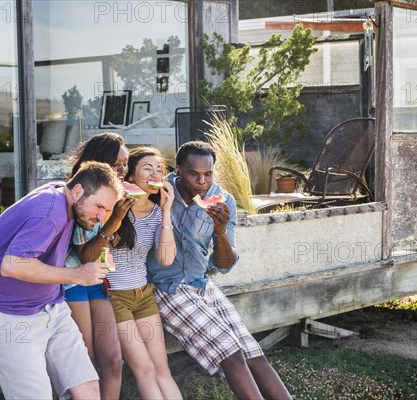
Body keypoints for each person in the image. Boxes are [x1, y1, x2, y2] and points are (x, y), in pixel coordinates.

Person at [147, 141, 292, 400]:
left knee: (253, 353)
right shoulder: (158, 193)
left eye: (208, 173)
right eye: (194, 173)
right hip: (168, 287)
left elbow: (225, 265)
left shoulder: (223, 200)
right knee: (231, 352)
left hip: (201, 284)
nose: (203, 181)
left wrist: (220, 230)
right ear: (178, 170)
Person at [0, 161, 121, 400]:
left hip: (53, 307)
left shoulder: (65, 197)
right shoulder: (50, 211)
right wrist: (78, 275)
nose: (101, 217)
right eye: (99, 207)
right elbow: (12, 264)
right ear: (78, 191)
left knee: (88, 389)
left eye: (107, 210)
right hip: (10, 317)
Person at [105, 147, 182, 399]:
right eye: (147, 169)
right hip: (116, 296)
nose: (155, 174)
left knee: (162, 369)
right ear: (130, 177)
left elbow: (166, 258)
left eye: (159, 170)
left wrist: (167, 211)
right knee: (145, 369)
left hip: (143, 294)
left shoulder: (158, 212)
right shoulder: (114, 208)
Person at [63, 133, 135, 399]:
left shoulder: (119, 194)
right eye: (117, 163)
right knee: (88, 359)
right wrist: (113, 222)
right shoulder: (82, 197)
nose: (123, 169)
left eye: (125, 163)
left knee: (113, 360)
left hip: (97, 281)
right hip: (73, 282)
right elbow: (85, 256)